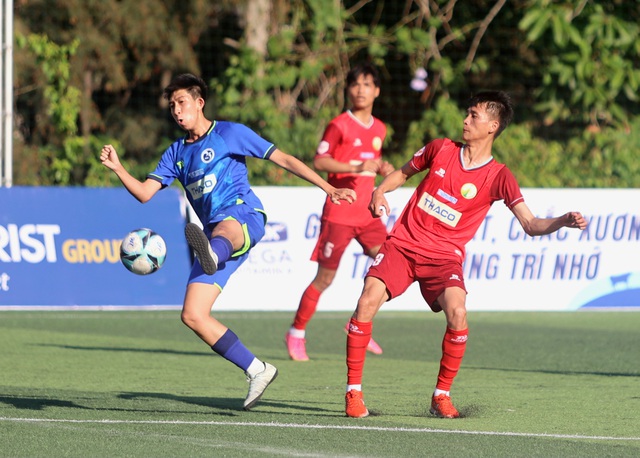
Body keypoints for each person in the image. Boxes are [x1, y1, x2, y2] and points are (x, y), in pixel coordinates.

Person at [99, 73, 355, 411]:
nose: (176, 111)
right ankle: (257, 369)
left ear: (199, 103)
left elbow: (284, 160)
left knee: (222, 230)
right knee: (192, 314)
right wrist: (118, 168)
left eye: (182, 103)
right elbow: (146, 193)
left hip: (243, 216)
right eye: (172, 106)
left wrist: (328, 188)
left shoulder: (229, 133)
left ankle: (212, 253)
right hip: (214, 237)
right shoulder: (175, 153)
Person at [343, 91, 588, 418]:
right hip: (402, 245)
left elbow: (530, 224)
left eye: (474, 116)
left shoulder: (499, 176)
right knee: (365, 302)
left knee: (458, 313)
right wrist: (379, 191)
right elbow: (401, 173)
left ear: (493, 126)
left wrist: (561, 222)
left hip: (444, 259)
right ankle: (353, 393)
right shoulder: (440, 148)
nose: (465, 120)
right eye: (467, 113)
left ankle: (441, 395)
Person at [285, 63, 394, 361]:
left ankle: (357, 322)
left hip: (368, 215)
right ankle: (296, 332)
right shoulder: (339, 125)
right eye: (356, 84)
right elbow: (320, 162)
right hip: (340, 214)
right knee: (324, 279)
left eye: (367, 84)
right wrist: (355, 167)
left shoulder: (380, 128)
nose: (361, 89)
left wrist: (381, 168)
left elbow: (371, 164)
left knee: (391, 266)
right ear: (348, 89)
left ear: (377, 91)